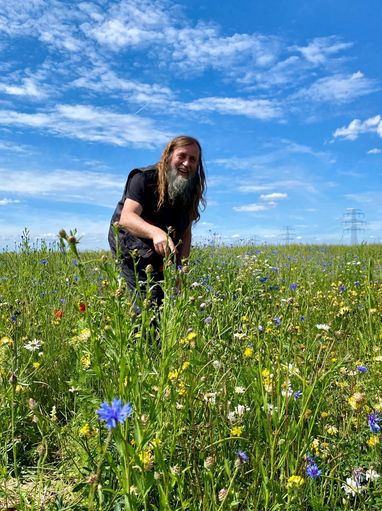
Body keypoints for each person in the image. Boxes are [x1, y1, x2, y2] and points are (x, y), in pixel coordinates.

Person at [108, 135, 206, 306]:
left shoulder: (191, 187)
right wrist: (155, 232)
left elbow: (186, 232)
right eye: (181, 156)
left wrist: (181, 271)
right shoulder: (144, 178)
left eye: (193, 159)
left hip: (164, 250)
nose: (186, 163)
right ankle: (145, 330)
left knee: (165, 301)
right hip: (132, 247)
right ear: (168, 156)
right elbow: (127, 217)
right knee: (148, 304)